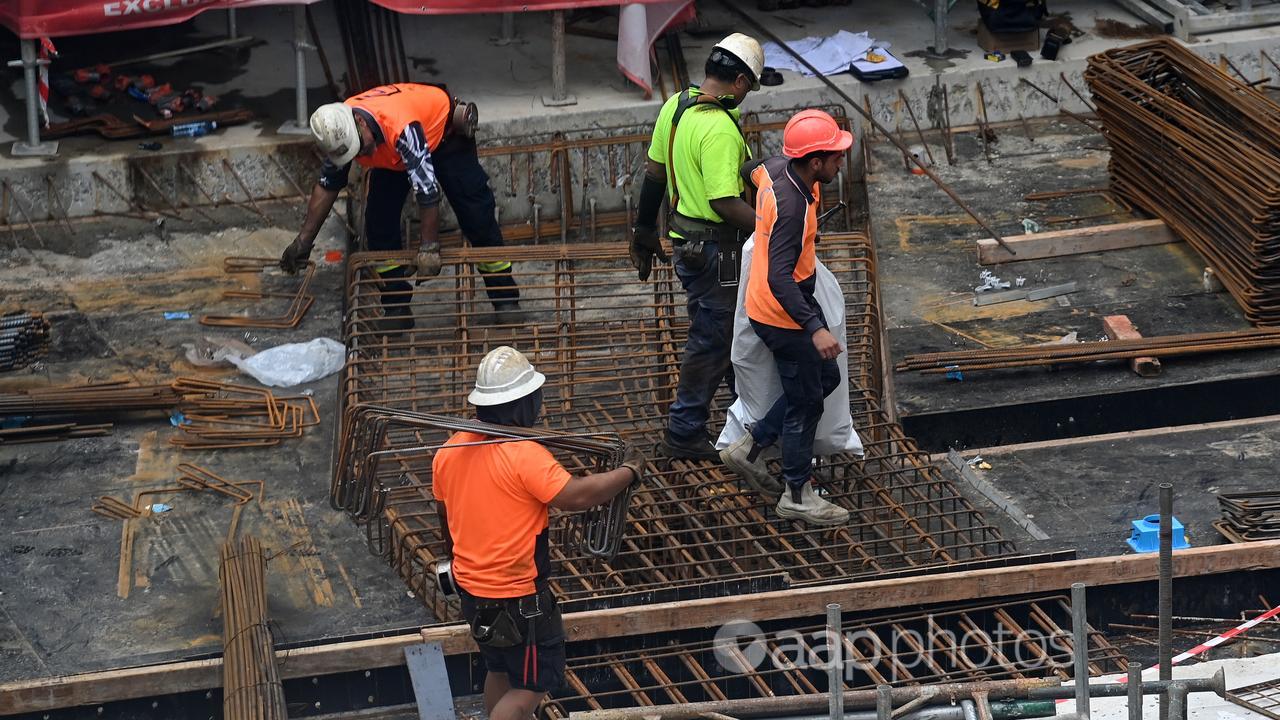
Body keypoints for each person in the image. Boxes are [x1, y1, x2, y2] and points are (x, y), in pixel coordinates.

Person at [432, 346, 643, 720]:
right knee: (530, 687)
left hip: (471, 591)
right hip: (519, 600)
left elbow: (445, 518)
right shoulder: (523, 454)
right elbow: (577, 496)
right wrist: (630, 471)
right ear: (522, 403)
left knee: (499, 669)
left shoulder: (449, 450)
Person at [278, 83, 521, 330]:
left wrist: (429, 247)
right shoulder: (339, 127)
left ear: (360, 123)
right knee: (379, 225)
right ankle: (396, 307)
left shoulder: (401, 126)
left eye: (359, 146)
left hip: (443, 135)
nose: (362, 153)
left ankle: (505, 298)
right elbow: (328, 185)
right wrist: (303, 242)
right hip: (391, 155)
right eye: (354, 152)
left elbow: (427, 190)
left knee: (476, 214)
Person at [631, 33, 765, 460]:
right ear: (740, 82)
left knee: (722, 336)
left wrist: (642, 229)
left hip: (685, 245)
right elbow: (724, 202)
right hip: (715, 253)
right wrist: (774, 224)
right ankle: (684, 430)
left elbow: (654, 172)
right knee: (713, 339)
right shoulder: (719, 128)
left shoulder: (677, 106)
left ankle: (743, 416)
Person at [718, 110, 852, 526]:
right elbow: (780, 276)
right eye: (835, 157)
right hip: (783, 315)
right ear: (814, 161)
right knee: (806, 401)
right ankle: (797, 493)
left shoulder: (776, 170)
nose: (840, 162)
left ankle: (752, 444)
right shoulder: (792, 206)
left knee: (824, 380)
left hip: (768, 305)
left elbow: (748, 167)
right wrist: (814, 329)